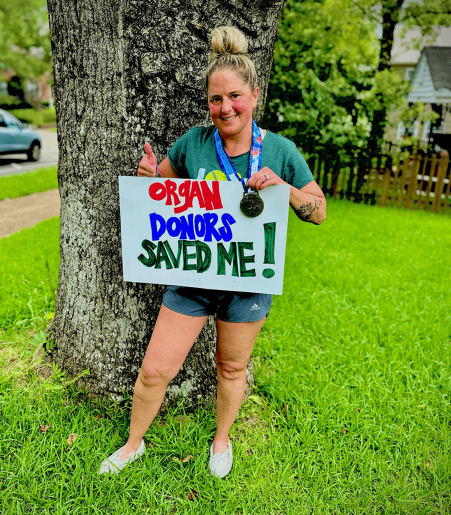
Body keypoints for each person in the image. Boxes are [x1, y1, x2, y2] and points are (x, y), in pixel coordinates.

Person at [99, 26, 326, 478]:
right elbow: (159, 188)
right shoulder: (193, 143)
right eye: (215, 99)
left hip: (248, 283)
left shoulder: (280, 151)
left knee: (232, 367)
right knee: (153, 371)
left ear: (255, 96)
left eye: (235, 96)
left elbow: (318, 211)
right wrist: (148, 177)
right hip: (193, 276)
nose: (225, 108)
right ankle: (132, 445)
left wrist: (285, 188)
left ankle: (221, 441)